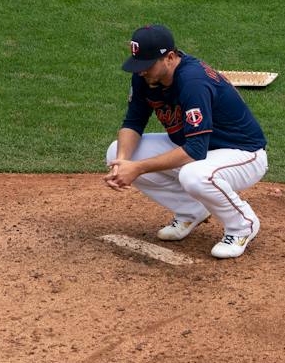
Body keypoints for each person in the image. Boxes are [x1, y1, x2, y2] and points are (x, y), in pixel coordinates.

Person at [103, 24, 269, 259]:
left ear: (170, 58)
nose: (141, 72)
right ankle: (190, 211)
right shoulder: (145, 76)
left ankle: (242, 225)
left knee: (194, 174)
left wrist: (137, 168)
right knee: (115, 153)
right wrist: (123, 162)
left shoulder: (193, 81)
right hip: (199, 148)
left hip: (242, 153)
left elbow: (195, 150)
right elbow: (133, 122)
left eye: (147, 65)